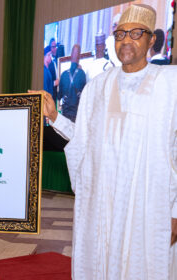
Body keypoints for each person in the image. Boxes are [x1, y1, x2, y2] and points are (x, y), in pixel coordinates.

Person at [43, 4, 177, 279]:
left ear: (151, 40)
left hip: (149, 206)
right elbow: (84, 141)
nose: (126, 40)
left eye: (136, 33)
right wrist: (55, 116)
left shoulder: (170, 85)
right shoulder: (97, 87)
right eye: (120, 34)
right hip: (102, 205)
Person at [58, 44, 86, 122]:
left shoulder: (63, 74)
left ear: (70, 56)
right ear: (79, 57)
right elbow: (85, 97)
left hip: (65, 115)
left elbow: (59, 96)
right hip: (77, 117)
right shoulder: (82, 74)